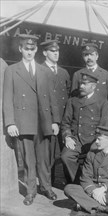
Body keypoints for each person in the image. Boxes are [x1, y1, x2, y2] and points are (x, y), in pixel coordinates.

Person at [3, 34, 60, 205]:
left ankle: (46, 187)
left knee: (44, 159)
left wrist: (55, 120)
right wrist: (10, 122)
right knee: (28, 160)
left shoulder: (45, 71)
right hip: (24, 121)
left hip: (43, 122)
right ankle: (30, 191)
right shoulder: (12, 70)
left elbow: (52, 97)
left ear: (36, 50)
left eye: (32, 49)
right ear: (20, 49)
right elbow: (7, 98)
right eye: (26, 49)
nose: (29, 52)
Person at [64, 126, 108, 215]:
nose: (96, 142)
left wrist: (103, 188)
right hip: (93, 187)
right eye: (96, 139)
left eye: (99, 139)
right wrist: (94, 191)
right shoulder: (91, 154)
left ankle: (87, 203)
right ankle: (103, 208)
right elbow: (85, 177)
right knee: (69, 188)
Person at [61, 72, 108, 183]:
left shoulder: (102, 102)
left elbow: (105, 126)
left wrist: (98, 142)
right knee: (66, 156)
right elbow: (65, 123)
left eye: (85, 84)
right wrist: (67, 136)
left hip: (94, 140)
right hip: (76, 140)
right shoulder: (72, 101)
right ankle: (77, 183)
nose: (81, 87)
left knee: (97, 159)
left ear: (93, 86)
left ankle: (92, 183)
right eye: (80, 84)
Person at [40, 39, 71, 184]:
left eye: (57, 51)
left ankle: (68, 181)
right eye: (52, 51)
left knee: (66, 151)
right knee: (49, 153)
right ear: (45, 53)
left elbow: (68, 93)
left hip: (64, 119)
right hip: (49, 118)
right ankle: (48, 183)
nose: (56, 54)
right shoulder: (40, 71)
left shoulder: (64, 72)